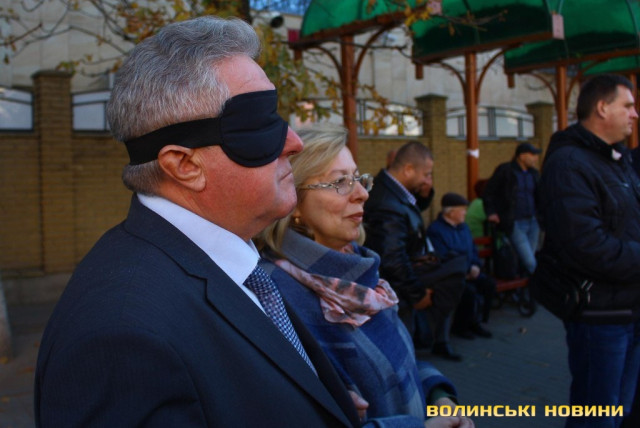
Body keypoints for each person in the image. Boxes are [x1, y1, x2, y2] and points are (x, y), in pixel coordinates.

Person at [34, 17, 363, 427]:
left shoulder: (236, 266)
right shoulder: (122, 337)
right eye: (260, 124)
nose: (295, 142)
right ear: (184, 165)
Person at [259, 124, 474, 428]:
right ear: (293, 199)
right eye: (341, 182)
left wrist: (438, 396)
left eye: (359, 179)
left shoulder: (360, 270)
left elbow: (401, 361)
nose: (362, 194)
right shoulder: (276, 297)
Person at [532, 74, 640, 428]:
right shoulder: (569, 164)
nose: (635, 113)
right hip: (599, 317)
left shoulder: (615, 159)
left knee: (618, 410)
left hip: (627, 308)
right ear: (602, 107)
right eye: (628, 105)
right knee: (597, 416)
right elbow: (586, 247)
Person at [364, 141, 466, 361]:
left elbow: (409, 215)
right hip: (397, 294)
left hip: (400, 288)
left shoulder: (393, 192)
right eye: (426, 174)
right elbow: (392, 259)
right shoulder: (387, 202)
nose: (427, 179)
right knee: (401, 353)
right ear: (408, 169)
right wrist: (417, 294)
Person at [426, 192, 495, 337]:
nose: (465, 213)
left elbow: (473, 249)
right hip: (451, 276)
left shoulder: (464, 227)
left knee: (489, 284)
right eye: (462, 209)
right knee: (468, 292)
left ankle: (477, 322)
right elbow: (444, 257)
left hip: (469, 271)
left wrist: (475, 265)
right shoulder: (436, 230)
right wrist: (466, 270)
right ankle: (460, 327)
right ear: (451, 212)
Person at [483, 142, 541, 276]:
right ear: (522, 156)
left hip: (533, 221)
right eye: (532, 155)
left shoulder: (534, 174)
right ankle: (543, 284)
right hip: (515, 222)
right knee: (530, 262)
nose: (536, 158)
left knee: (526, 259)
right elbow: (489, 192)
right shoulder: (506, 171)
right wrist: (491, 212)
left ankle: (524, 287)